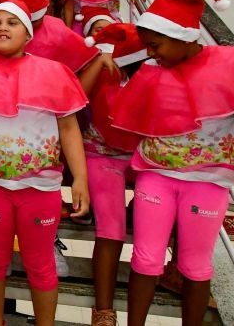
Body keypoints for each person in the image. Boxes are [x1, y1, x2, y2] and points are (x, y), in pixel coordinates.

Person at [110, 0, 234, 326]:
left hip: (208, 182)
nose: (151, 54)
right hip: (155, 177)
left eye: (155, 45)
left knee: (195, 266)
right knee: (145, 260)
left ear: (180, 36)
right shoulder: (153, 73)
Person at [0, 0, 89, 326]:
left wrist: (80, 179)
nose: (3, 28)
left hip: (40, 189)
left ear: (28, 34)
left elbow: (69, 128)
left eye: (12, 23)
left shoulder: (54, 73)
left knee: (40, 264)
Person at [80, 24, 147, 326]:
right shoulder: (106, 70)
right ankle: (103, 311)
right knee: (111, 228)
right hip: (101, 155)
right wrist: (98, 63)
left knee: (173, 206)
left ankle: (174, 270)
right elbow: (75, 95)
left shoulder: (158, 75)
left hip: (143, 159)